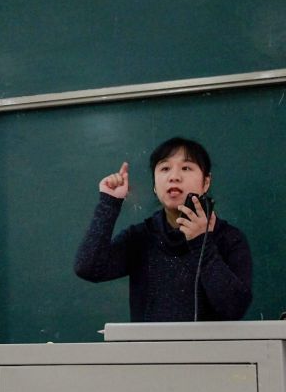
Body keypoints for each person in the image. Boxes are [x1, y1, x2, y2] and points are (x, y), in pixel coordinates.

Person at [74, 137, 252, 322]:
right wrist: (109, 203)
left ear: (206, 182)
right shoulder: (141, 237)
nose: (174, 176)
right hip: (148, 342)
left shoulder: (229, 238)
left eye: (186, 168)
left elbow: (234, 308)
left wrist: (202, 244)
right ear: (154, 185)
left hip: (211, 343)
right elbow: (88, 268)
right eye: (165, 168)